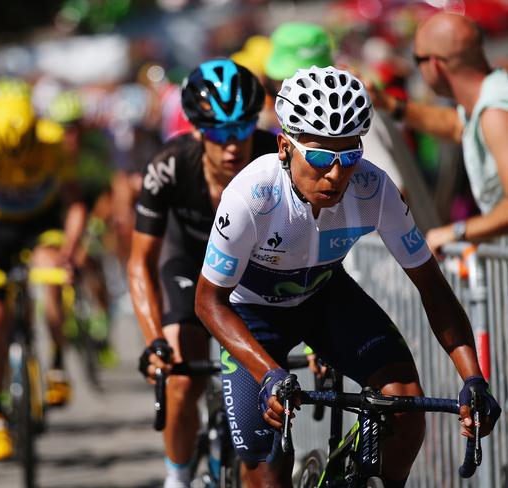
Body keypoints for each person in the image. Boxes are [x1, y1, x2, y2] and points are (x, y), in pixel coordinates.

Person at [194, 66, 500, 488]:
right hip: (251, 315)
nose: (336, 174)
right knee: (267, 465)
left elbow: (432, 286)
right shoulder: (251, 196)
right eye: (320, 156)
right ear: (285, 147)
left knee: (405, 406)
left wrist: (473, 378)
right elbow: (208, 302)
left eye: (349, 156)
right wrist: (268, 373)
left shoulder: (373, 189)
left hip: (323, 297)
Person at [127, 58, 277, 488]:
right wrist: (155, 338)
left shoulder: (275, 156)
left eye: (243, 129)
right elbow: (139, 261)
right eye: (219, 133)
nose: (233, 145)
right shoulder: (169, 166)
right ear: (196, 130)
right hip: (188, 264)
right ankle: (177, 477)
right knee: (181, 379)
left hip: (252, 269)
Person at [0, 92, 87, 462]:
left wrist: (70, 251)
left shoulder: (52, 140)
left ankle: (56, 365)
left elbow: (73, 202)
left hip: (39, 221)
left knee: (51, 276)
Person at [366, 12, 508, 251]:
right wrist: (389, 104)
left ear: (434, 64)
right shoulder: (491, 96)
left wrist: (455, 232)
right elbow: (455, 125)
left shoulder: (494, 112)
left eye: (416, 59)